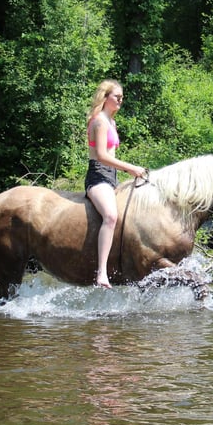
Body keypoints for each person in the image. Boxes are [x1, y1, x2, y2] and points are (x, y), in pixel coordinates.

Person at [84, 79, 147, 289]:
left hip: (111, 177)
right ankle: (101, 272)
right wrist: (130, 168)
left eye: (121, 96)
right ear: (105, 97)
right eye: (116, 96)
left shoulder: (111, 121)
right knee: (111, 216)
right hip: (98, 175)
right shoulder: (100, 121)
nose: (121, 100)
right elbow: (102, 155)